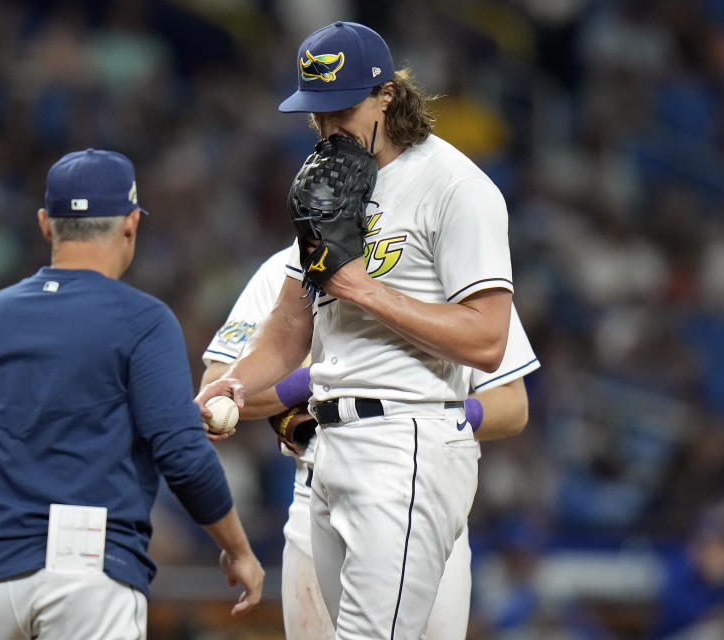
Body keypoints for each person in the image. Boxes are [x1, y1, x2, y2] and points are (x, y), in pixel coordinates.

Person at [196, 21, 514, 638]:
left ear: (388, 95)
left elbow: (487, 339)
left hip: (407, 439)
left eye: (341, 110)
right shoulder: (329, 182)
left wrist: (358, 286)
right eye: (315, 114)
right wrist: (235, 385)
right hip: (328, 451)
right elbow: (290, 327)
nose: (326, 128)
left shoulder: (455, 186)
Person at [0, 148, 264, 640]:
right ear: (131, 223)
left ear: (45, 224)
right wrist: (239, 549)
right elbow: (181, 455)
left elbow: (45, 410)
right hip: (83, 567)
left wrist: (166, 414)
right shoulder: (143, 319)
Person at [201, 248, 539, 639]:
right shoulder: (288, 266)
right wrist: (326, 382)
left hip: (432, 493)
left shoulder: (451, 260)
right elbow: (218, 384)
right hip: (319, 496)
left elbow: (513, 405)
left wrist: (428, 410)